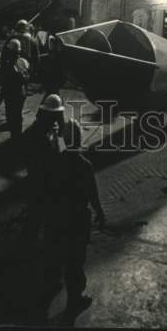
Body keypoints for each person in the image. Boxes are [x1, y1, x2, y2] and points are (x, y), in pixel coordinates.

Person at [24, 94, 103, 317]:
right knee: (75, 261)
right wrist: (100, 211)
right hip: (76, 219)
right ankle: (74, 300)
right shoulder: (84, 165)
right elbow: (92, 193)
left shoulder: (54, 161)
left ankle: (51, 284)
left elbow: (47, 182)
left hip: (55, 216)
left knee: (55, 253)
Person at [0, 39, 30, 145]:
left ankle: (15, 138)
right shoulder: (22, 62)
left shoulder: (9, 66)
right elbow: (26, 77)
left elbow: (6, 87)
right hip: (21, 93)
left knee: (12, 116)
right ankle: (17, 135)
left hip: (12, 95)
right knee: (17, 115)